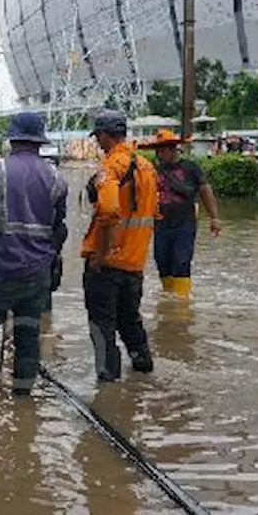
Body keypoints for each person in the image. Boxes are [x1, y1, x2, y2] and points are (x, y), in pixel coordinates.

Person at [0, 112, 68, 396]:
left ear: (13, 138)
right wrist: (49, 261)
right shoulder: (56, 177)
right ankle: (22, 398)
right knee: (28, 337)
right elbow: (59, 228)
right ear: (39, 141)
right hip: (36, 273)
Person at [81, 110, 158, 382]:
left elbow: (109, 209)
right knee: (130, 320)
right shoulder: (147, 167)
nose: (98, 143)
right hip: (134, 263)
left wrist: (101, 254)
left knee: (102, 326)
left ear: (103, 135)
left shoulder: (112, 166)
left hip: (107, 266)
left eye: (98, 137)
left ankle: (108, 382)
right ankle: (142, 366)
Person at [143, 129, 222, 297]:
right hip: (161, 224)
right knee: (162, 261)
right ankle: (167, 298)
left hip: (184, 224)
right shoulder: (152, 170)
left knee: (181, 262)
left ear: (173, 149)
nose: (159, 154)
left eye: (162, 150)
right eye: (157, 150)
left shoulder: (191, 169)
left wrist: (214, 218)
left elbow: (206, 192)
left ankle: (182, 302)